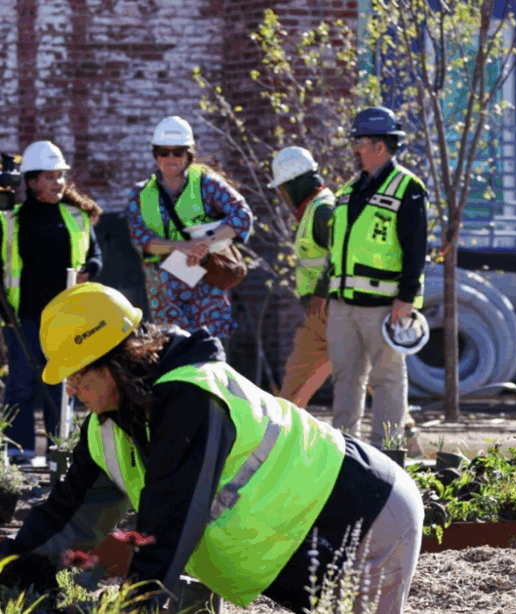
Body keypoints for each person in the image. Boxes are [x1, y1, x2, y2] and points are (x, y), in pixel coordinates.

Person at [0, 282, 424, 614]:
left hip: (364, 515)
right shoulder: (105, 428)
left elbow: (169, 522)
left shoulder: (193, 399)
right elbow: (65, 516)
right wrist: (11, 567)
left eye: (75, 376)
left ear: (113, 360)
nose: (70, 391)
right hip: (307, 541)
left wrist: (132, 606)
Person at [310, 107, 427, 444]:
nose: (354, 148)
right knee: (346, 378)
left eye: (359, 141)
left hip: (385, 305)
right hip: (344, 304)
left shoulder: (408, 188)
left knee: (387, 380)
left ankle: (388, 452)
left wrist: (406, 299)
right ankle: (344, 450)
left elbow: (415, 248)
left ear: (379, 145)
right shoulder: (350, 189)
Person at [0, 141, 102, 463]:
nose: (58, 183)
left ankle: (63, 451)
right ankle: (21, 453)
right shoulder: (11, 221)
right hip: (24, 317)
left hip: (66, 317)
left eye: (60, 176)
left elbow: (95, 254)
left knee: (63, 387)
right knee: (21, 385)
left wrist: (91, 271)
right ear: (31, 181)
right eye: (49, 177)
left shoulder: (76, 216)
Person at [127, 116, 254, 340]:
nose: (171, 158)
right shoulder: (140, 194)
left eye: (178, 152)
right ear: (156, 155)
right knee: (174, 353)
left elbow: (242, 216)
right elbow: (142, 240)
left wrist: (206, 242)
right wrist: (183, 247)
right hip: (165, 293)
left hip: (207, 286)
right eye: (164, 152)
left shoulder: (206, 183)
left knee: (210, 353)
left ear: (188, 155)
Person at [271, 146, 336, 407]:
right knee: (295, 384)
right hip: (320, 316)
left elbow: (340, 255)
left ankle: (404, 434)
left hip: (331, 310)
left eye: (283, 188)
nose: (282, 196)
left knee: (370, 375)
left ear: (296, 184)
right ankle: (280, 437)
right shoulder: (314, 210)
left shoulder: (323, 210)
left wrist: (320, 294)